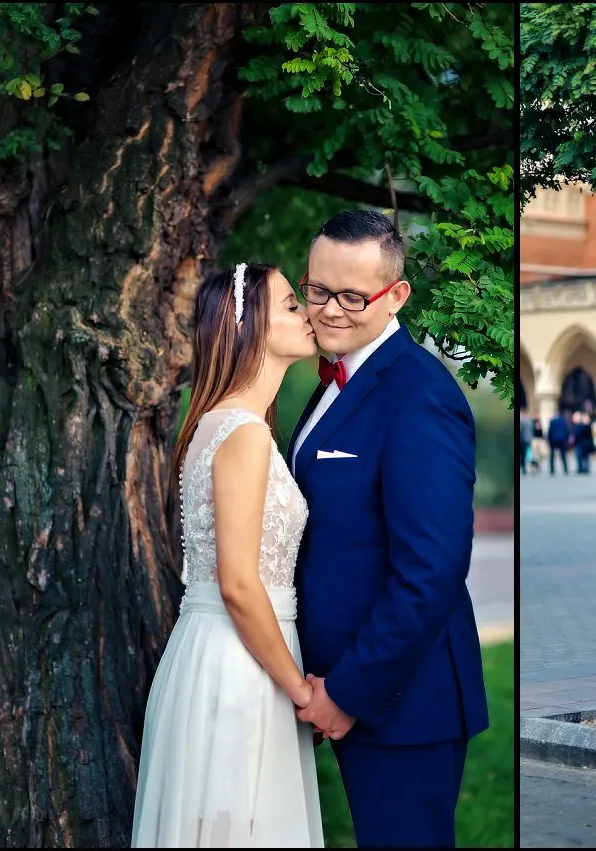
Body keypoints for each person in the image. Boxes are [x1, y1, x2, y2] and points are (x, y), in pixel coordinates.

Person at [287, 211, 489, 847]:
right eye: (318, 291)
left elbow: (429, 571)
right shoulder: (332, 381)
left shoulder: (418, 393)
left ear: (397, 294)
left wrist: (346, 691)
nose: (330, 311)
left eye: (353, 296)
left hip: (404, 697)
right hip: (344, 681)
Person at [132, 263, 324, 846]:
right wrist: (300, 690)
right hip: (243, 664)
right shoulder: (242, 433)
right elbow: (238, 582)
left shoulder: (218, 425)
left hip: (222, 651)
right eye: (292, 304)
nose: (309, 312)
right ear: (250, 328)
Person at [547, 410, 571, 474]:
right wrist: (566, 439)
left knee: (552, 455)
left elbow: (550, 431)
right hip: (562, 440)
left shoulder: (552, 421)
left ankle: (552, 469)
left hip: (553, 440)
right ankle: (565, 469)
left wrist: (548, 440)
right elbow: (566, 431)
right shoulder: (563, 421)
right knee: (563, 455)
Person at [519, 408, 534, 476]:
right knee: (528, 454)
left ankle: (524, 469)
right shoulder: (530, 421)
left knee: (523, 455)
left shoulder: (522, 421)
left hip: (523, 440)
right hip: (529, 439)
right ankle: (529, 468)